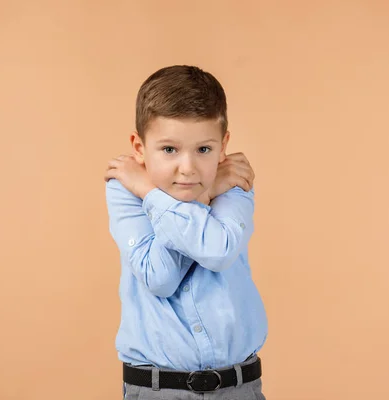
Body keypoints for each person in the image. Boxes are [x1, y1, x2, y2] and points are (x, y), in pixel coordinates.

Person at [104, 65, 268, 399]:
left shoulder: (235, 181)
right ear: (139, 147)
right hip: (156, 389)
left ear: (223, 146)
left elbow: (219, 251)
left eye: (203, 150)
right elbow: (159, 278)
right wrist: (204, 197)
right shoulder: (125, 189)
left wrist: (155, 195)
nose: (188, 168)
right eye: (169, 150)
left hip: (237, 388)